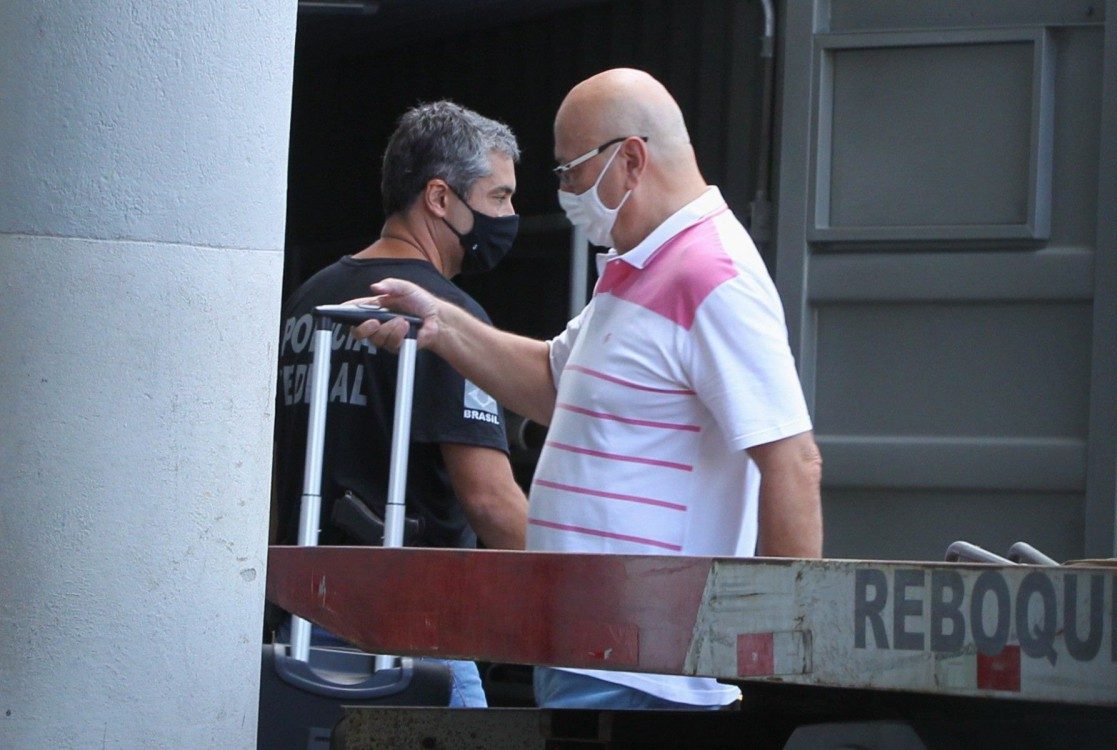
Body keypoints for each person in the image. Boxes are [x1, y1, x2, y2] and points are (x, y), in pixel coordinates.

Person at [352, 69, 823, 710]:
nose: (566, 192)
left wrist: (779, 669)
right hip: (594, 657)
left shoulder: (712, 273)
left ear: (630, 159)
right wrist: (440, 324)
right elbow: (556, 382)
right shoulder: (636, 266)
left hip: (646, 676)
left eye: (570, 171)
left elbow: (792, 460)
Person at [271, 100, 529, 707]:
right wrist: (589, 592)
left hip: (307, 618)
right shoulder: (444, 319)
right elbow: (490, 501)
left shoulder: (310, 300)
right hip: (414, 632)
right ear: (440, 199)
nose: (512, 216)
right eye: (498, 198)